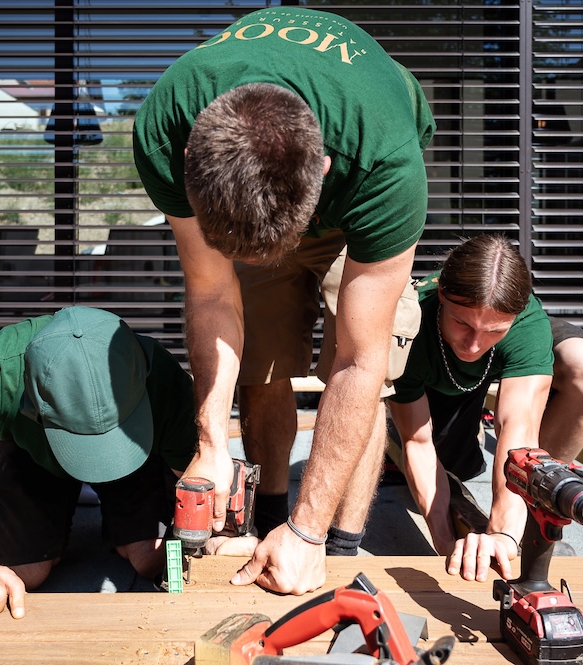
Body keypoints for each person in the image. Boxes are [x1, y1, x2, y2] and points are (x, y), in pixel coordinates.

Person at [132, 6, 434, 595]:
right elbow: (212, 288)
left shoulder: (386, 164)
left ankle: (333, 542)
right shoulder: (168, 125)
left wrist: (309, 531)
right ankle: (265, 516)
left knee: (365, 364)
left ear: (321, 169)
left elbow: (358, 361)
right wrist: (211, 443)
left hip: (356, 199)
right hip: (258, 189)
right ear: (191, 164)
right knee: (261, 365)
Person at [0, 307, 206, 618]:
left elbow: (200, 479)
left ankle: (113, 515)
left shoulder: (157, 371)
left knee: (150, 560)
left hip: (134, 455)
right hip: (35, 453)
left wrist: (217, 533)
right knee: (22, 576)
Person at [386, 234, 583, 583]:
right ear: (443, 295)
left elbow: (516, 430)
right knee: (447, 466)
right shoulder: (410, 325)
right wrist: (446, 545)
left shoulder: (526, 327)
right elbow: (419, 443)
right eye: (462, 323)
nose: (474, 344)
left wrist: (502, 536)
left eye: (493, 330)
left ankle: (536, 508)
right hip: (434, 381)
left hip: (494, 366)